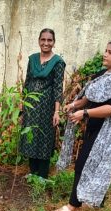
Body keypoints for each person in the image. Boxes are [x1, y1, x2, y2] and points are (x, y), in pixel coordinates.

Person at [51, 39, 111, 211]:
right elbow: (89, 97)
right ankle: (95, 201)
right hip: (95, 126)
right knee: (94, 164)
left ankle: (72, 207)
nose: (105, 54)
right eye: (105, 50)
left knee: (84, 164)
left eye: (110, 52)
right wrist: (74, 105)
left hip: (109, 131)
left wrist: (85, 113)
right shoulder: (103, 74)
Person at [19, 28, 66, 179]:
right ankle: (32, 172)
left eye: (49, 40)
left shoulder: (57, 62)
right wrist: (22, 106)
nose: (46, 43)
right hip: (31, 106)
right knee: (31, 136)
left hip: (47, 107)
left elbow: (58, 87)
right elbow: (27, 83)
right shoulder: (32, 59)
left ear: (54, 42)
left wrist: (57, 111)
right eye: (43, 40)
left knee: (44, 138)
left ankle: (43, 175)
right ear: (39, 41)